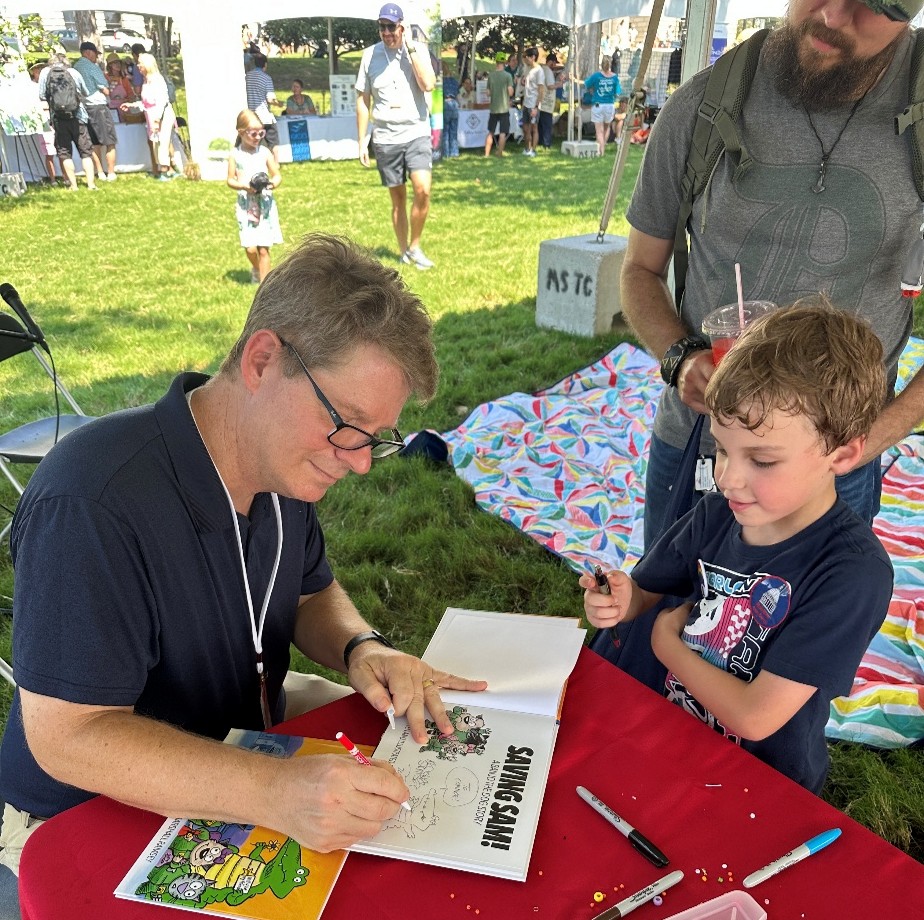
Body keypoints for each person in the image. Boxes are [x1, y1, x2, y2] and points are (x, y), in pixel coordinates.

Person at [0, 233, 487, 914]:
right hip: (86, 814)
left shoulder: (279, 467)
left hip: (237, 737)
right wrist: (275, 791)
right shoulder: (92, 500)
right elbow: (69, 739)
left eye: (377, 437)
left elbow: (312, 590)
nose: (361, 463)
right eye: (348, 424)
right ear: (263, 359)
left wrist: (362, 647)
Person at [620, 0, 924, 549]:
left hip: (842, 463)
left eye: (871, 4)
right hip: (704, 447)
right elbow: (640, 270)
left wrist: (867, 441)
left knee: (809, 628)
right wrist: (679, 357)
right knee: (668, 612)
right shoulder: (703, 107)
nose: (832, 16)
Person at [581, 302, 893, 794]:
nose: (728, 478)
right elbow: (649, 591)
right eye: (723, 448)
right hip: (671, 739)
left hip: (759, 783)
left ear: (844, 454)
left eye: (763, 460)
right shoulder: (718, 511)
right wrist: (622, 600)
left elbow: (756, 715)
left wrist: (666, 645)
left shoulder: (853, 572)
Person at [355, 3, 437, 270]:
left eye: (392, 26)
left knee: (423, 189)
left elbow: (428, 84)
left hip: (416, 132)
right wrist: (361, 140)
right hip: (386, 137)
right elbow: (362, 100)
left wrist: (410, 47)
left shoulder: (417, 50)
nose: (387, 32)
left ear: (402, 26)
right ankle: (403, 251)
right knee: (398, 198)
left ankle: (415, 246)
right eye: (382, 27)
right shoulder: (369, 56)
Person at [228, 109, 283, 284]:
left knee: (264, 249)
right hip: (246, 205)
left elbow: (277, 175)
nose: (258, 137)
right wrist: (244, 186)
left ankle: (264, 286)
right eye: (253, 133)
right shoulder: (235, 155)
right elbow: (230, 180)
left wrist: (272, 183)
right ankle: (257, 269)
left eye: (261, 133)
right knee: (251, 248)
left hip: (264, 204)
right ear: (241, 132)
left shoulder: (265, 152)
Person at [37, 53, 97, 192]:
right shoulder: (73, 72)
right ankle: (91, 185)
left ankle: (73, 185)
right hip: (78, 116)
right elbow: (86, 92)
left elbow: (41, 95)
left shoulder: (46, 73)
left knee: (64, 152)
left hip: (58, 118)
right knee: (85, 151)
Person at [121, 52, 179, 181]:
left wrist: (157, 119)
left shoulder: (157, 80)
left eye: (140, 63)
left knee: (162, 142)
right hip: (151, 115)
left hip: (162, 115)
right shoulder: (146, 81)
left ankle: (165, 171)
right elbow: (146, 103)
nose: (138, 66)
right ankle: (168, 169)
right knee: (155, 143)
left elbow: (162, 100)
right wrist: (132, 106)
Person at [71, 40, 118, 182]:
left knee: (94, 143)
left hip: (85, 108)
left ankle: (100, 172)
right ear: (88, 52)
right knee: (110, 141)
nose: (96, 57)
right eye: (95, 54)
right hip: (99, 107)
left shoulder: (75, 67)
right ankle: (110, 172)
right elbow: (105, 89)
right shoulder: (92, 67)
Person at [245, 52, 283, 161]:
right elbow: (270, 99)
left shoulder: (247, 76)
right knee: (273, 143)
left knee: (253, 143)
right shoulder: (266, 78)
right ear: (265, 65)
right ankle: (276, 164)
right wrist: (279, 103)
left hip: (251, 116)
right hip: (264, 116)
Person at [582, 55, 620, 156]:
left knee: (599, 130)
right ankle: (602, 147)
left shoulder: (596, 76)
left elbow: (586, 84)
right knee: (606, 128)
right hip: (609, 105)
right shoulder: (615, 77)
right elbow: (617, 92)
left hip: (598, 105)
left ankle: (601, 151)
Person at [28, 61, 57, 183]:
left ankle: (64, 176)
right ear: (33, 72)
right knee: (48, 150)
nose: (39, 72)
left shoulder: (50, 85)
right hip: (42, 120)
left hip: (54, 118)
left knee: (59, 148)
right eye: (37, 69)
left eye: (42, 69)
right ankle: (53, 178)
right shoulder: (30, 87)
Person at [485, 52, 513, 158]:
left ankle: (486, 154)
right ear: (505, 62)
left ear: (496, 62)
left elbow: (488, 93)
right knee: (502, 132)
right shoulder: (508, 76)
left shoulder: (491, 75)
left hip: (493, 108)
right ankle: (499, 153)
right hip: (504, 108)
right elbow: (510, 92)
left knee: (490, 132)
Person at [519, 47, 544, 157]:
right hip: (526, 103)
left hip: (534, 103)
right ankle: (527, 148)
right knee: (525, 128)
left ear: (533, 57)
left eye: (527, 57)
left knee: (534, 127)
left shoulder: (539, 70)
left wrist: (536, 106)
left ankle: (533, 150)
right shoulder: (527, 68)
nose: (525, 59)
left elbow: (541, 90)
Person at [537, 52, 559, 149]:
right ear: (551, 62)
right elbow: (550, 86)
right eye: (554, 63)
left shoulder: (541, 69)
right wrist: (559, 84)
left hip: (541, 100)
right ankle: (546, 143)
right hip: (547, 101)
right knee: (547, 124)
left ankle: (540, 141)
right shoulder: (548, 71)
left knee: (541, 123)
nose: (555, 66)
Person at [105, 52, 134, 121]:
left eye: (118, 63)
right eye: (115, 63)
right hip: (111, 111)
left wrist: (127, 100)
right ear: (110, 65)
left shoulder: (124, 79)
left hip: (124, 110)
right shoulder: (105, 78)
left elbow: (131, 95)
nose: (118, 65)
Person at [441, 64, 460, 159]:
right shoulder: (454, 81)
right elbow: (458, 94)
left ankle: (446, 152)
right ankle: (454, 152)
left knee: (445, 130)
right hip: (455, 104)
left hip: (445, 103)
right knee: (454, 130)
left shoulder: (441, 82)